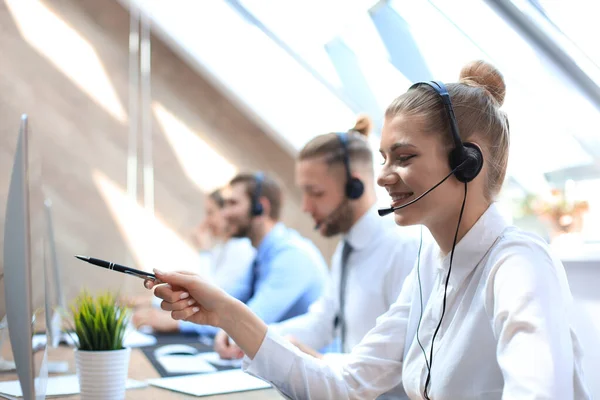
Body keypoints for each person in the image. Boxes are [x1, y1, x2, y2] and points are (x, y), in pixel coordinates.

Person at [145, 60, 590, 399]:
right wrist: (225, 312)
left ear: (466, 162)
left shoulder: (518, 266)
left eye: (404, 157)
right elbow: (348, 381)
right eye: (383, 159)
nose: (383, 176)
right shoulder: (430, 270)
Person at [214, 115, 422, 383]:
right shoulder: (348, 248)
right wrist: (250, 336)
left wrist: (321, 361)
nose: (306, 207)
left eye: (316, 193)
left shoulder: (402, 247)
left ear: (354, 187)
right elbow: (323, 322)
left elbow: (408, 359)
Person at [174, 172, 329, 338]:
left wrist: (178, 323)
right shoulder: (260, 256)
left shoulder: (292, 256)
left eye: (232, 204)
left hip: (310, 360)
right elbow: (226, 300)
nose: (225, 214)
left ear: (261, 208)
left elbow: (250, 320)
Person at [131, 188, 255, 332]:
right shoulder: (221, 248)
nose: (206, 221)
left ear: (226, 212)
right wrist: (153, 302)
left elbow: (209, 296)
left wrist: (204, 251)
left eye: (211, 213)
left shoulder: (240, 248)